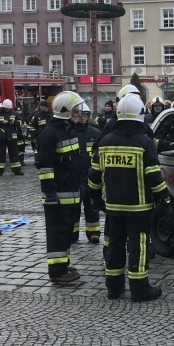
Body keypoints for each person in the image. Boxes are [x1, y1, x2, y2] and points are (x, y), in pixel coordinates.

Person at [88, 94, 169, 301]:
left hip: (113, 207)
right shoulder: (144, 142)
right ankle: (139, 289)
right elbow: (153, 175)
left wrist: (96, 200)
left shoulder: (105, 142)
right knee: (139, 246)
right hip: (139, 207)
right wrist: (164, 199)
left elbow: (94, 176)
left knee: (114, 245)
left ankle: (113, 288)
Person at [37, 91, 86, 284]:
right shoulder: (50, 134)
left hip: (71, 194)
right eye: (75, 110)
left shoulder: (67, 130)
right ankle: (57, 271)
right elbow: (45, 167)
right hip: (57, 196)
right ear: (65, 111)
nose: (79, 113)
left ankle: (63, 265)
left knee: (66, 233)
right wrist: (49, 193)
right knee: (57, 233)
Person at [73, 103, 103, 244]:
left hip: (90, 176)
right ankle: (72, 234)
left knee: (91, 206)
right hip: (75, 176)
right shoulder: (70, 132)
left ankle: (94, 232)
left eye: (85, 115)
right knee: (73, 207)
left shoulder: (95, 133)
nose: (83, 118)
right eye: (80, 115)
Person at [0, 99, 24, 176]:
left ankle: (17, 170)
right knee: (0, 154)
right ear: (3, 107)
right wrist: (1, 122)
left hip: (12, 136)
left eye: (8, 108)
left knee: (14, 154)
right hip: (1, 136)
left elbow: (20, 122)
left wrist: (14, 122)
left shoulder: (14, 113)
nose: (7, 109)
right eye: (6, 108)